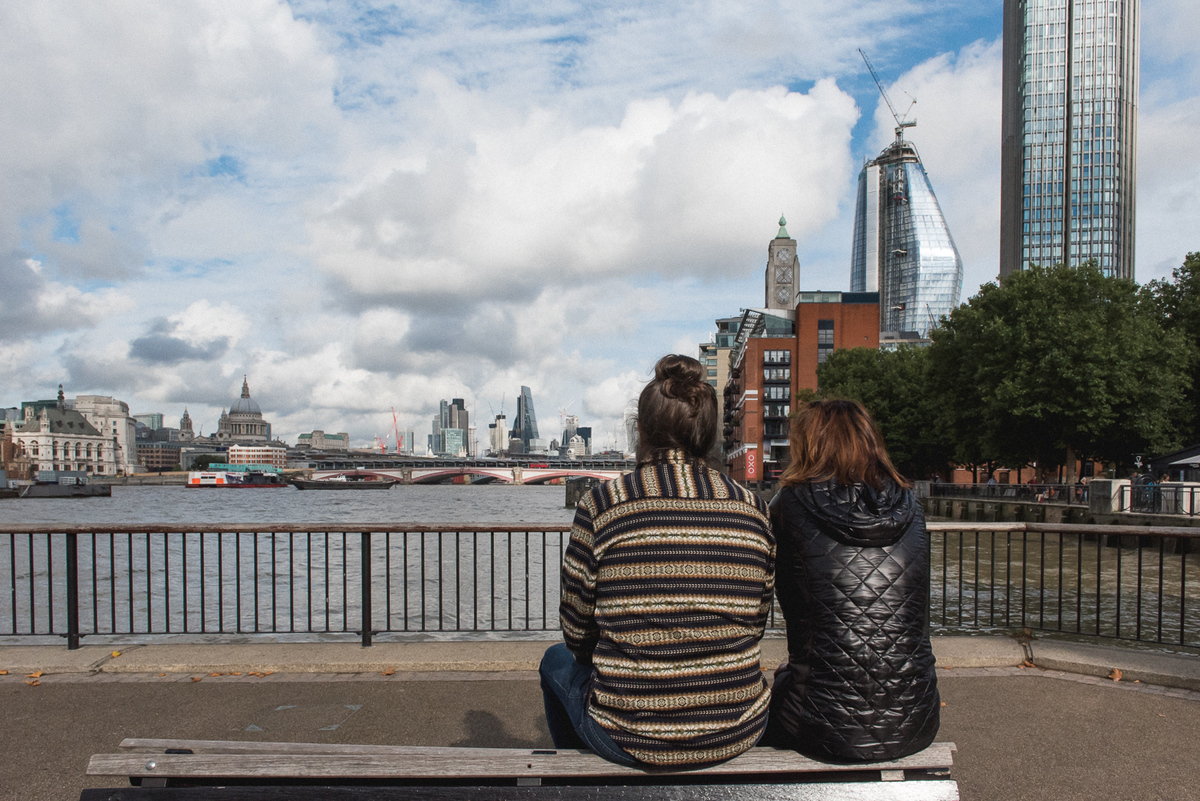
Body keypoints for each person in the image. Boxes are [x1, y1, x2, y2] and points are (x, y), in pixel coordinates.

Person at [540, 354, 775, 767]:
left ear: (641, 430)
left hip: (628, 734)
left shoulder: (603, 504)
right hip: (735, 728)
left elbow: (576, 631)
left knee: (554, 661)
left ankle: (575, 769)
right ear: (708, 434)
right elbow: (755, 622)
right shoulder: (752, 508)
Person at [763, 399, 939, 762]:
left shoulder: (789, 506)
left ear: (810, 446)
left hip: (821, 725)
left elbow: (776, 602)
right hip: (917, 718)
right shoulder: (911, 506)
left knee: (771, 701)